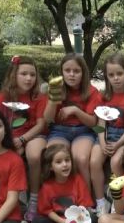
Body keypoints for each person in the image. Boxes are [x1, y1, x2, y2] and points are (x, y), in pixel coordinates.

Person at [0, 55, 48, 221]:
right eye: (24, 74)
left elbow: (40, 125)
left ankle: (33, 200)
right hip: (9, 137)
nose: (28, 78)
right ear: (14, 75)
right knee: (7, 159)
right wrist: (11, 141)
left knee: (34, 155)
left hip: (34, 134)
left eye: (32, 75)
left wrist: (22, 140)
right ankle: (8, 202)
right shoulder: (3, 97)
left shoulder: (39, 97)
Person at [90, 52, 124, 215]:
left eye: (119, 73)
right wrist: (103, 141)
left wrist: (118, 144)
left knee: (115, 162)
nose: (116, 78)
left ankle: (120, 199)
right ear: (106, 77)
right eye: (111, 75)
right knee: (94, 161)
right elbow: (100, 123)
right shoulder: (103, 96)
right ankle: (100, 202)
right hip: (105, 136)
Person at [43, 53, 101, 193]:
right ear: (61, 72)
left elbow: (93, 122)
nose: (71, 75)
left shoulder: (92, 92)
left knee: (80, 158)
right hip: (59, 130)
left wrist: (75, 110)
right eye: (67, 71)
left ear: (83, 73)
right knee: (53, 157)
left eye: (76, 71)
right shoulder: (56, 89)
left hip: (83, 131)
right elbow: (48, 119)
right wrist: (52, 99)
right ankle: (58, 198)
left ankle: (87, 201)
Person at [31, 144, 96, 223]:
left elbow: (84, 206)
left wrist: (74, 221)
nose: (65, 164)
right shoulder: (47, 186)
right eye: (59, 162)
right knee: (36, 222)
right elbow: (47, 211)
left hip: (76, 221)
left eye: (67, 160)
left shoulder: (77, 180)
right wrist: (62, 222)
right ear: (51, 167)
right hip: (58, 221)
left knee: (93, 218)